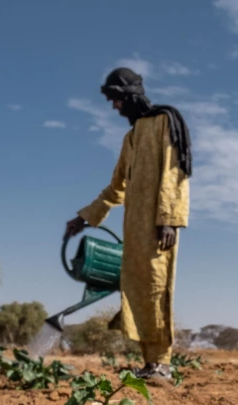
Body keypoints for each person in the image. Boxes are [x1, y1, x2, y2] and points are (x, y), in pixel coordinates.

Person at [64, 67, 192, 383]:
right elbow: (116, 188)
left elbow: (175, 173)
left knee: (156, 290)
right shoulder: (131, 137)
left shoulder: (165, 121)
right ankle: (150, 364)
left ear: (130, 95)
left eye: (117, 100)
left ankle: (162, 364)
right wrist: (84, 218)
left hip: (157, 228)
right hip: (133, 231)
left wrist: (169, 221)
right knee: (137, 292)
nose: (115, 107)